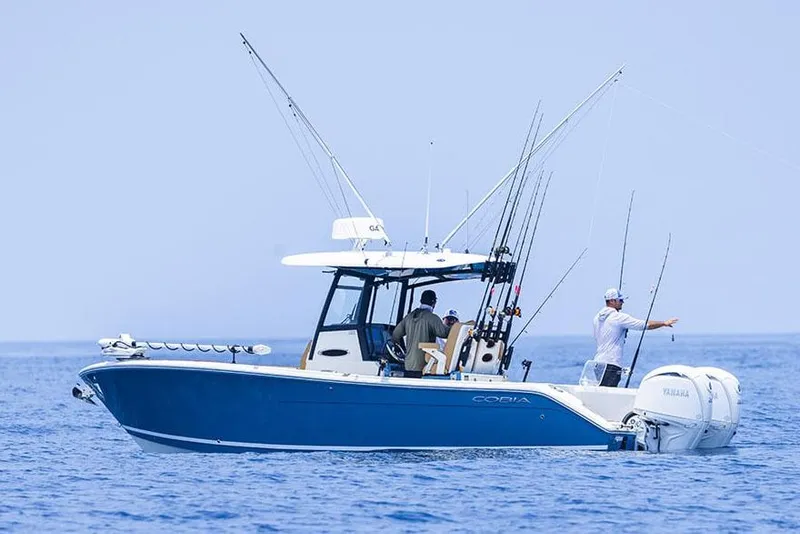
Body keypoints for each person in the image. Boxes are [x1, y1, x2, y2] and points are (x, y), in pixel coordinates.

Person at [592, 288, 679, 387]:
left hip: (598, 364)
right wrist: (664, 323)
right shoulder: (618, 317)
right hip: (611, 364)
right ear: (612, 301)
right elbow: (643, 325)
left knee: (601, 392)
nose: (623, 302)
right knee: (609, 395)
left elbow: (598, 337)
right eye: (620, 300)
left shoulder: (596, 318)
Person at [392, 290, 452, 377]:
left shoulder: (408, 317)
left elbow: (395, 335)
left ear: (421, 301)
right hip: (424, 368)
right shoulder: (432, 318)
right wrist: (456, 327)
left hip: (408, 366)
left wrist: (402, 351)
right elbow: (444, 333)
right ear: (434, 302)